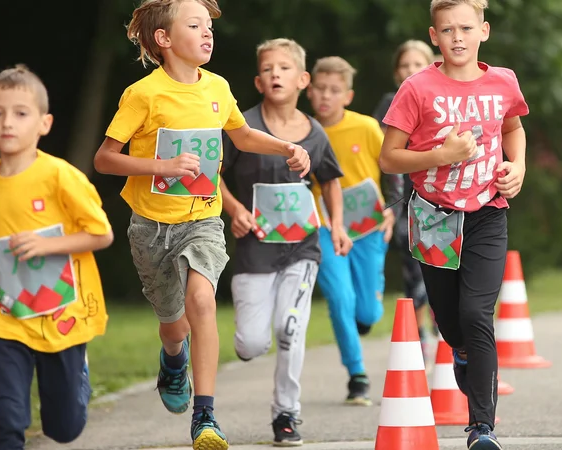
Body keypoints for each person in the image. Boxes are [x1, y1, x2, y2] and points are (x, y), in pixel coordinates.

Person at [92, 1, 310, 449]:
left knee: (202, 301)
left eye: (209, 26)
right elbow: (105, 158)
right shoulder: (143, 94)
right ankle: (174, 359)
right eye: (195, 25)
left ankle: (205, 416)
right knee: (174, 325)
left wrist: (286, 147)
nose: (208, 33)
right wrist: (164, 165)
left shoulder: (218, 87)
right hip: (151, 225)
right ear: (164, 40)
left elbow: (243, 136)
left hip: (203, 218)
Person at [379, 0, 529, 448]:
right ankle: (461, 352)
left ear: (484, 30)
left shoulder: (503, 81)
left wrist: (518, 166)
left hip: (487, 213)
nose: (457, 37)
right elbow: (389, 156)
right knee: (449, 323)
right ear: (433, 36)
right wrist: (441, 157)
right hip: (434, 216)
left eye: (466, 28)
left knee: (476, 314)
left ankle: (482, 427)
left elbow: (513, 128)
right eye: (448, 30)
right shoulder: (417, 87)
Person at [0, 65, 113, 450]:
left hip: (61, 315)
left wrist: (46, 245)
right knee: (5, 417)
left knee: (64, 428)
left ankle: (79, 375)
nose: (8, 122)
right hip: (5, 316)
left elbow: (102, 234)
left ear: (44, 123)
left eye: (21, 113)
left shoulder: (60, 176)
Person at [220, 38, 350, 447]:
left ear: (302, 79)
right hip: (255, 249)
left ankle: (286, 414)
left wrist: (338, 225)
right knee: (253, 342)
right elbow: (211, 172)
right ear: (258, 82)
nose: (276, 74)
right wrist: (233, 208)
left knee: (290, 329)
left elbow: (330, 181)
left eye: (284, 68)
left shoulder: (315, 133)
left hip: (302, 248)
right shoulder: (241, 127)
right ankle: (249, 348)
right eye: (268, 69)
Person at [306, 56, 396, 406]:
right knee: (340, 297)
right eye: (320, 89)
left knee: (368, 313)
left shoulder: (367, 128)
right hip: (324, 227)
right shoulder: (304, 131)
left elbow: (393, 169)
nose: (326, 96)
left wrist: (391, 211)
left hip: (368, 226)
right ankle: (357, 375)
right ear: (309, 91)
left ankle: (364, 315)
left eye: (334, 90)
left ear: (348, 95)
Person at [372, 39, 437, 359]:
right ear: (397, 72)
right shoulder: (388, 104)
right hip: (405, 200)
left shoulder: (443, 99)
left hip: (442, 197)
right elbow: (378, 154)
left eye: (418, 64)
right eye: (405, 65)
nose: (411, 70)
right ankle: (422, 332)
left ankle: (443, 316)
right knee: (415, 269)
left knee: (445, 266)